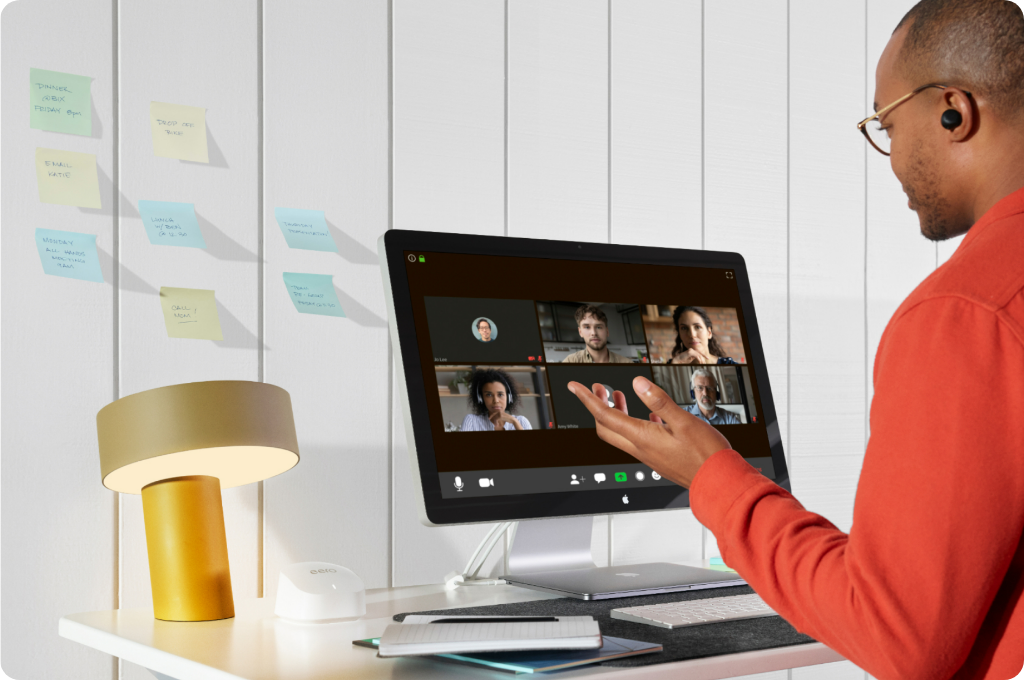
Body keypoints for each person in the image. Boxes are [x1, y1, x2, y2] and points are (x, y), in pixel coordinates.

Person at [568, 2, 1024, 678]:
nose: (890, 154)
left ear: (954, 111)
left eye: (887, 125)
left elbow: (900, 636)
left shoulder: (964, 313)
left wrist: (715, 478)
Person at [459, 368, 532, 431]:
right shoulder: (471, 421)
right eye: (489, 395)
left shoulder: (521, 421)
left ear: (509, 397)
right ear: (480, 398)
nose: (496, 400)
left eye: (500, 395)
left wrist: (515, 423)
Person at [667, 306, 738, 365]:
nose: (692, 335)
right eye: (684, 328)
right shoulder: (672, 363)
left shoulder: (729, 364)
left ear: (709, 333)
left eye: (697, 327)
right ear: (679, 334)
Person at [561, 305, 633, 363]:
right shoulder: (570, 361)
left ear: (607, 331)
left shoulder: (627, 363)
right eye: (587, 327)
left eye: (599, 327)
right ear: (580, 332)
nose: (594, 333)